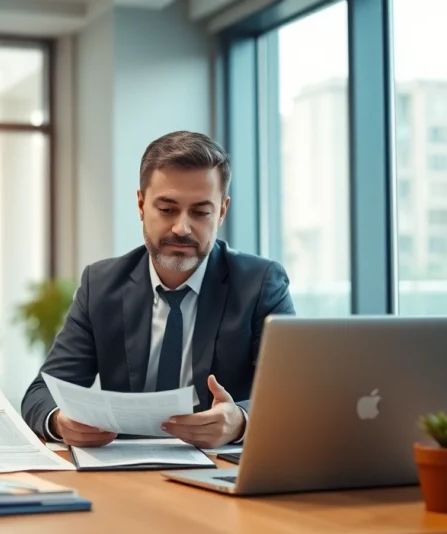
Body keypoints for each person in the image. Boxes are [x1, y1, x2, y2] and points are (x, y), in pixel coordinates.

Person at [21, 130, 295, 449]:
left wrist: (240, 422)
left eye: (200, 212)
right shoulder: (102, 284)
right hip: (125, 470)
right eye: (167, 209)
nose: (182, 227)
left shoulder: (260, 283)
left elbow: (292, 395)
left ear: (221, 211)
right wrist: (60, 421)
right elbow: (43, 391)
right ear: (141, 205)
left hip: (218, 465)